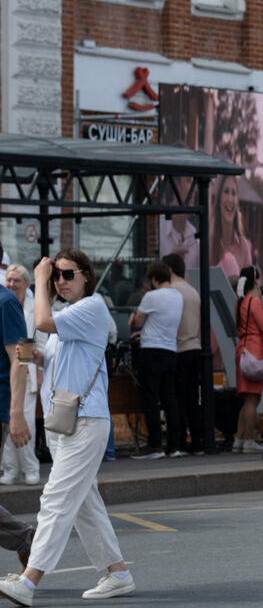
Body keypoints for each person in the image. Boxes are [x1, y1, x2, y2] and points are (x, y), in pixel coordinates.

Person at [0, 250, 136, 605]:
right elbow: (65, 358)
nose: (61, 280)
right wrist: (40, 357)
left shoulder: (91, 308)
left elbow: (42, 320)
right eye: (56, 275)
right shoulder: (68, 316)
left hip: (86, 422)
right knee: (83, 503)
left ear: (86, 276)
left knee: (56, 500)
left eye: (66, 274)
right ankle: (118, 572)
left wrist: (40, 279)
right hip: (66, 423)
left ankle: (29, 581)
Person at [0, 247, 34, 571]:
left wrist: (16, 412)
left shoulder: (7, 301)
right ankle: (24, 537)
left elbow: (21, 358)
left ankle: (25, 537)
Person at [129, 261, 184, 460]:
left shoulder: (151, 296)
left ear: (153, 279)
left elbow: (138, 322)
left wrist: (134, 320)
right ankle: (174, 445)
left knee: (151, 399)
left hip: (151, 351)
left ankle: (154, 445)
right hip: (170, 349)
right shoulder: (178, 296)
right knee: (170, 399)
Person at [1, 265, 44, 485]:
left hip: (27, 372)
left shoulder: (34, 308)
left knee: (23, 423)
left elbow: (39, 343)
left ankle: (30, 467)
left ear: (26, 284)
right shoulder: (7, 302)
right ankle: (10, 469)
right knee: (8, 426)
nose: (12, 284)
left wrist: (38, 372)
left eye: (17, 280)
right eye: (9, 280)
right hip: (11, 373)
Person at [161, 254, 204, 455]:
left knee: (177, 400)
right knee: (192, 399)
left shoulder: (171, 292)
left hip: (179, 349)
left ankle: (178, 441)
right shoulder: (193, 291)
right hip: (195, 347)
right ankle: (197, 441)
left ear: (169, 270)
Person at [234, 266, 263, 454]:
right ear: (256, 281)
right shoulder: (254, 301)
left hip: (242, 349)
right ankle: (248, 440)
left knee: (246, 398)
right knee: (252, 399)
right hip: (255, 350)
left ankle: (238, 438)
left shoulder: (240, 302)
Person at [210, 175, 252, 278]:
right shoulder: (208, 244)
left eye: (234, 193)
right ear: (219, 199)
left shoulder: (244, 247)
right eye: (226, 192)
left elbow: (250, 290)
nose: (230, 199)